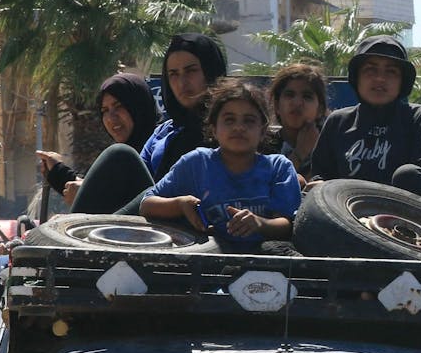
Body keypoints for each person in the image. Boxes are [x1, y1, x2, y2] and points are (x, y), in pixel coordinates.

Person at [70, 33, 227, 215]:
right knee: (120, 155)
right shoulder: (165, 131)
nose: (182, 83)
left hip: (193, 216)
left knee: (120, 153)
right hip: (151, 217)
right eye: (173, 74)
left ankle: (82, 236)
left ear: (209, 71)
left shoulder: (227, 126)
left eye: (191, 71)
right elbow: (136, 182)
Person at [138, 80, 298, 249]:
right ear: (214, 129)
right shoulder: (196, 163)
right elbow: (146, 204)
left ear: (263, 130)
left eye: (249, 121)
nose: (239, 127)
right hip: (208, 262)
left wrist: (260, 223)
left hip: (263, 263)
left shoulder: (279, 168)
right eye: (229, 120)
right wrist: (180, 204)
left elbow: (287, 225)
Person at [310, 35, 421, 207]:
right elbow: (321, 178)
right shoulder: (337, 122)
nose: (380, 79)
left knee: (407, 174)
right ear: (357, 77)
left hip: (420, 221)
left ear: (402, 81)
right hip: (350, 221)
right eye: (370, 70)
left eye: (391, 71)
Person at [35, 72, 160, 216]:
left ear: (138, 107)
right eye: (105, 111)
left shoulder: (161, 149)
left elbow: (148, 200)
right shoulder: (115, 162)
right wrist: (58, 173)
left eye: (118, 106)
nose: (111, 118)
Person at [263, 63, 327, 176]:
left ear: (320, 110)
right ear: (277, 106)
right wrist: (299, 153)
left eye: (307, 96)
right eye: (289, 95)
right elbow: (266, 185)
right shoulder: (263, 145)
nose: (297, 103)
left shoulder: (332, 146)